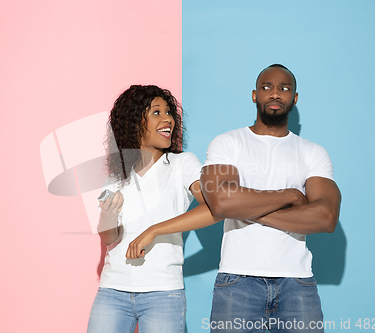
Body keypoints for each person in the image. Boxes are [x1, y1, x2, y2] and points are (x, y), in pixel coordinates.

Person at [127, 65, 341, 333]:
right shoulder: (228, 143)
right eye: (267, 88)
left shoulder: (312, 152)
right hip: (238, 281)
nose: (275, 94)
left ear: (294, 98)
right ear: (254, 95)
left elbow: (326, 217)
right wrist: (291, 195)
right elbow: (220, 203)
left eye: (284, 89)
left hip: (296, 282)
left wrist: (242, 206)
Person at [87, 85, 219, 333]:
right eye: (156, 112)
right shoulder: (117, 175)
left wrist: (154, 230)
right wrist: (108, 215)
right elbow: (110, 238)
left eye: (168, 112)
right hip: (112, 290)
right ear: (135, 122)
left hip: (163, 293)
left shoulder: (182, 164)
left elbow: (215, 207)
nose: (168, 118)